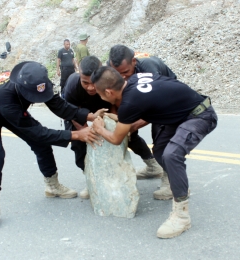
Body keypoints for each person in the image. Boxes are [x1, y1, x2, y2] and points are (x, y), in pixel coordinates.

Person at [0, 61, 105, 231]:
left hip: (12, 109)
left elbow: (58, 105)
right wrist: (76, 134)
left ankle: (52, 185)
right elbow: (38, 132)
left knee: (41, 144)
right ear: (23, 89)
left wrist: (89, 116)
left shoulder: (36, 81)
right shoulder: (5, 97)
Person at [91, 66, 218, 238]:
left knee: (171, 154)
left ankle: (182, 216)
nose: (100, 97)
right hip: (181, 113)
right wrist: (125, 121)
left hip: (200, 115)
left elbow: (116, 139)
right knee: (160, 151)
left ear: (108, 91)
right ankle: (179, 185)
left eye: (100, 94)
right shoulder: (134, 82)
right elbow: (150, 105)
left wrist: (99, 129)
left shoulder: (129, 102)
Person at [63, 55, 163, 199]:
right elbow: (71, 112)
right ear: (79, 74)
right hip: (80, 114)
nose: (90, 87)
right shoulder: (73, 84)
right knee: (80, 144)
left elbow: (116, 104)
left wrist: (118, 126)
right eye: (85, 83)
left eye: (93, 83)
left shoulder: (108, 80)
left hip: (105, 107)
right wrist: (85, 131)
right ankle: (92, 180)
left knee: (128, 136)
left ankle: (152, 165)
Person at [108, 44, 178, 200]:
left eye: (125, 72)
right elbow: (114, 96)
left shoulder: (148, 67)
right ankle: (153, 168)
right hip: (137, 95)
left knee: (161, 140)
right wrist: (120, 121)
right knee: (127, 134)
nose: (123, 78)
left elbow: (157, 104)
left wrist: (135, 124)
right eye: (118, 74)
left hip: (166, 100)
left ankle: (171, 182)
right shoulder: (111, 68)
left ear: (134, 61)